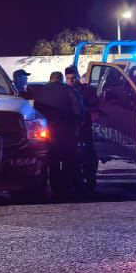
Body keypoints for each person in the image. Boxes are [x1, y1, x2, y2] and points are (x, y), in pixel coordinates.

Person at [32, 71, 82, 199]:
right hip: (67, 131)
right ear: (61, 79)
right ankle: (67, 187)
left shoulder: (40, 92)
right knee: (68, 159)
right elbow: (78, 108)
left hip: (48, 131)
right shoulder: (69, 90)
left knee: (52, 159)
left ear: (50, 79)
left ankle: (54, 186)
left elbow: (36, 111)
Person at [64, 64, 98, 193]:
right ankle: (76, 182)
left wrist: (83, 113)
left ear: (78, 77)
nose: (71, 81)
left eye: (73, 78)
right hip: (70, 130)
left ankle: (90, 182)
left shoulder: (87, 90)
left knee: (89, 155)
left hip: (85, 127)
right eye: (68, 78)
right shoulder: (64, 91)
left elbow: (94, 107)